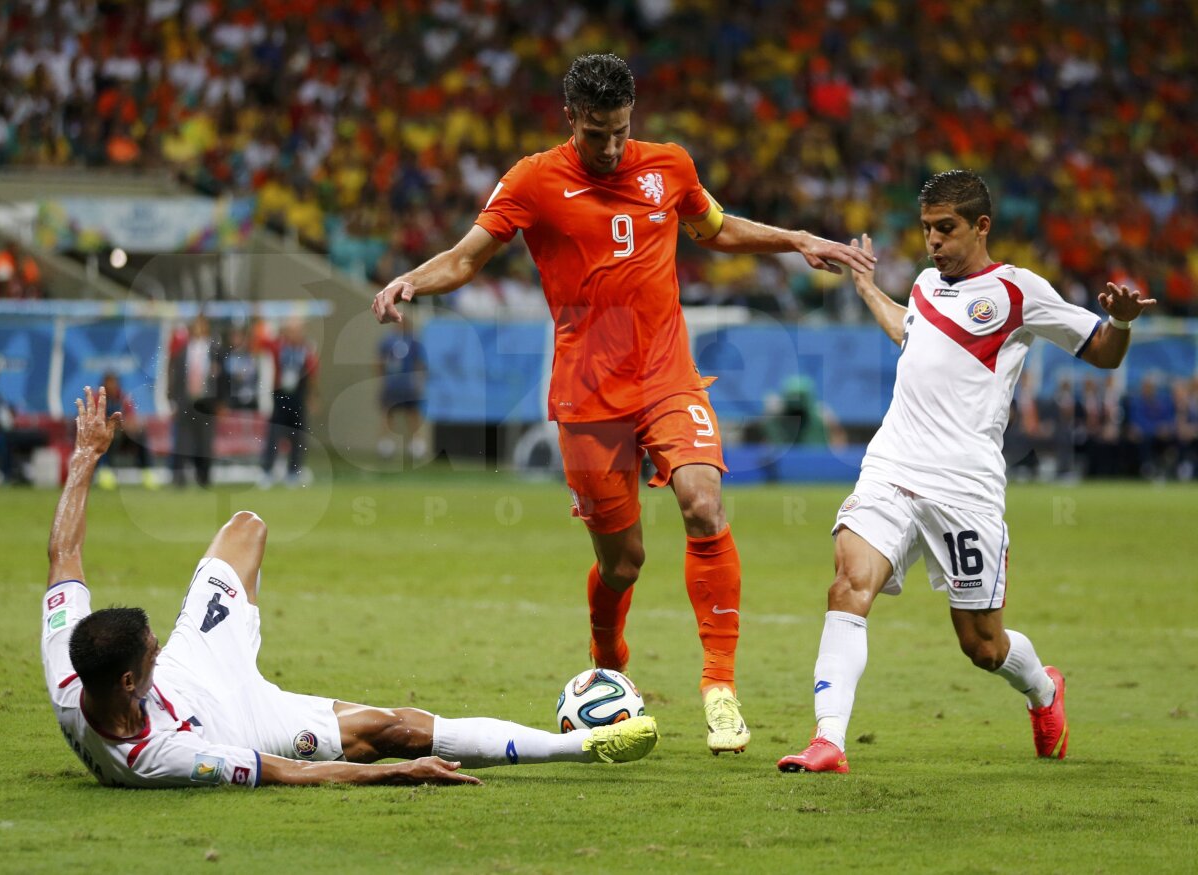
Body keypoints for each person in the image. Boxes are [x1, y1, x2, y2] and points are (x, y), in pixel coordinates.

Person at [372, 53, 875, 754]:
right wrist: (411, 281)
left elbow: (714, 228)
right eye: (596, 133)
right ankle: (608, 660)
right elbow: (465, 258)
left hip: (667, 376)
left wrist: (794, 239)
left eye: (620, 131)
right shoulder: (534, 179)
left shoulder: (670, 165)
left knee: (703, 502)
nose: (610, 147)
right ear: (571, 117)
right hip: (587, 396)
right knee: (623, 564)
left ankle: (719, 687)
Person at [42, 386, 658, 789]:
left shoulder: (70, 668)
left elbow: (63, 555)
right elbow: (286, 774)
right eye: (150, 649)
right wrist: (396, 774)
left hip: (197, 662)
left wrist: (86, 455)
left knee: (245, 528)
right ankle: (580, 746)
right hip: (241, 722)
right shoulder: (159, 759)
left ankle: (231, 634)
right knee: (391, 731)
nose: (155, 644)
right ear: (130, 681)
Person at [777, 170, 1156, 774]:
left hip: (965, 488)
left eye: (945, 228)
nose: (933, 241)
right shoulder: (926, 284)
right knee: (848, 584)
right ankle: (829, 741)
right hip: (892, 466)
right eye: (926, 228)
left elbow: (1104, 354)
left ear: (981, 226)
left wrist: (1124, 323)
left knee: (982, 645)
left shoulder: (1018, 291)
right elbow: (911, 333)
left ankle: (1043, 690)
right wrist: (866, 285)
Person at [260, 318, 318, 488]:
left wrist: (312, 396)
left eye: (297, 331)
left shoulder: (306, 349)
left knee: (297, 435)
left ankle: (294, 471)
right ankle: (268, 471)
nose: (294, 334)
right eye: (291, 331)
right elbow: (262, 342)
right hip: (280, 396)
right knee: (274, 434)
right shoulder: (279, 346)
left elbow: (313, 373)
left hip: (297, 396)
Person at [167, 315, 222, 488]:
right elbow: (176, 377)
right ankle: (179, 477)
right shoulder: (183, 351)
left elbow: (222, 379)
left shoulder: (214, 351)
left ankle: (203, 477)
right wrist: (173, 399)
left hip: (206, 403)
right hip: (186, 401)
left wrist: (220, 401)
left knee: (205, 441)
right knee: (182, 441)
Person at [95, 372, 157, 489]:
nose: (111, 385)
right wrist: (111, 425)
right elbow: (95, 421)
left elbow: (130, 417)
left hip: (121, 433)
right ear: (103, 384)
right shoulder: (97, 399)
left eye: (114, 383)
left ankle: (147, 472)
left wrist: (131, 425)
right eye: (109, 383)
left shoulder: (123, 397)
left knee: (140, 433)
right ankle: (105, 472)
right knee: (106, 436)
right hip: (103, 435)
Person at [376, 320, 428, 461]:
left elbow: (419, 363)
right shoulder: (389, 341)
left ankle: (415, 443)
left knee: (411, 412)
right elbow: (380, 361)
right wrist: (383, 379)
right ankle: (386, 443)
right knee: (389, 412)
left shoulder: (412, 342)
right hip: (394, 383)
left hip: (406, 384)